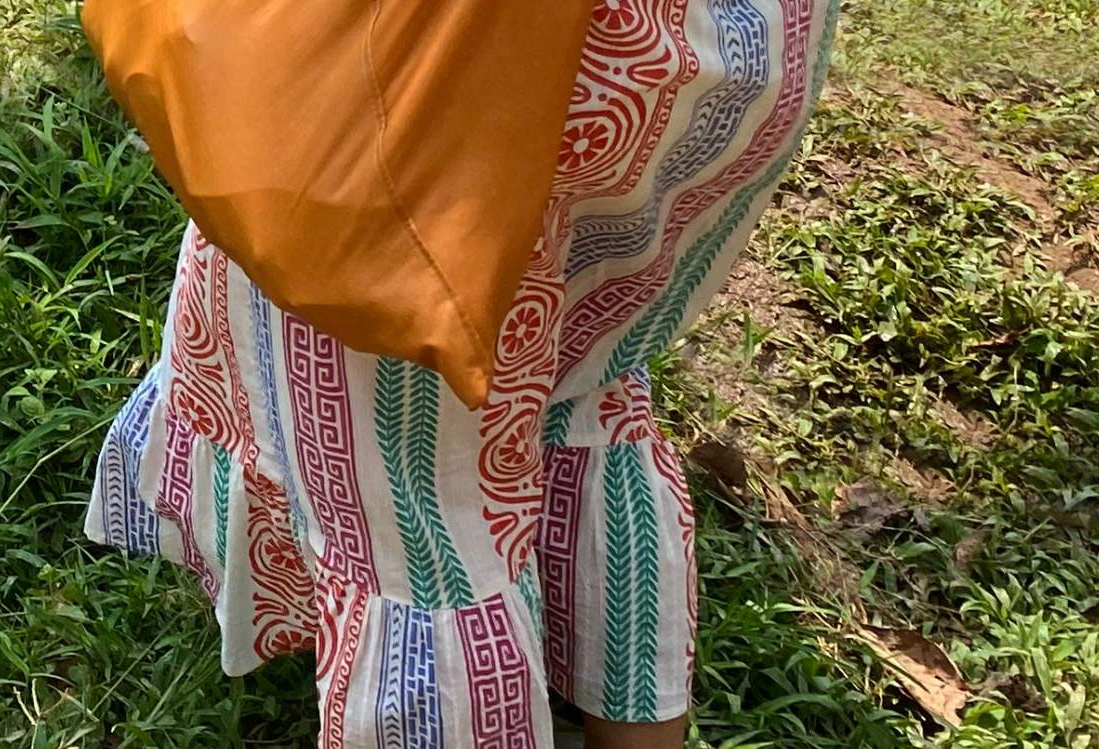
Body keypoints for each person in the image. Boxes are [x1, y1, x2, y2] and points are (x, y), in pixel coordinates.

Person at [83, 1, 840, 747]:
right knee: (570, 386)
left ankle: (454, 681)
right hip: (717, 45)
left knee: (412, 516)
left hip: (459, 89)